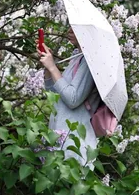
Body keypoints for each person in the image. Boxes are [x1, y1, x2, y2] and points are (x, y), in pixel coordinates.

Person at [37, 27, 101, 166]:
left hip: (74, 145)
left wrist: (53, 67)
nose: (69, 31)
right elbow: (55, 93)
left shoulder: (90, 61)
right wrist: (48, 68)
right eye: (70, 27)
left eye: (75, 28)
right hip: (59, 140)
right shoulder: (77, 57)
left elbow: (73, 99)